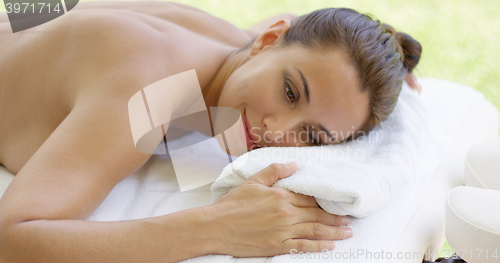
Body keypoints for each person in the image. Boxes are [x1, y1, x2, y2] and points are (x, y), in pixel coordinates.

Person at [0, 1, 421, 262]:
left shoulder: (247, 43)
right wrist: (216, 227)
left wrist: (389, 62)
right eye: (291, 92)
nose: (276, 132)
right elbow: (11, 239)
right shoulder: (147, 90)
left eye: (312, 136)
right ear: (270, 41)